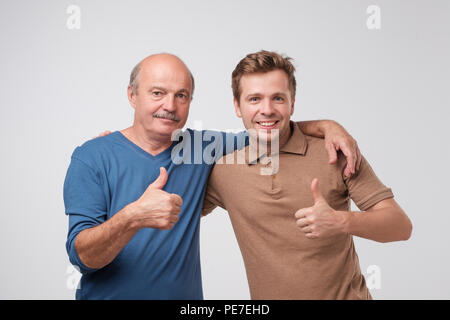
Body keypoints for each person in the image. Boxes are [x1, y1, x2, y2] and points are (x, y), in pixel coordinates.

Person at [63, 53, 362, 299]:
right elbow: (83, 258)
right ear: (132, 95)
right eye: (158, 93)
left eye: (181, 95)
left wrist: (328, 126)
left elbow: (269, 128)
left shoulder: (202, 148)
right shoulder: (91, 157)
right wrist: (132, 216)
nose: (170, 105)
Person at [202, 50, 413, 300]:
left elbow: (400, 226)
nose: (267, 110)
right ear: (238, 106)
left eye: (278, 98)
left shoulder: (336, 152)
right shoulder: (224, 171)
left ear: (292, 103)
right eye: (255, 99)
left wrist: (340, 221)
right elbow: (173, 218)